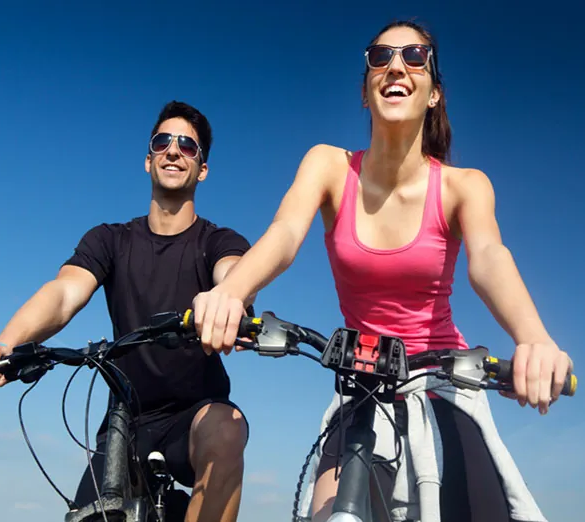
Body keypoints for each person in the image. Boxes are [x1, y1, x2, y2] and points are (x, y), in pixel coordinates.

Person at [190, 20, 573, 522]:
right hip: (362, 380)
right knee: (328, 512)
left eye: (415, 56)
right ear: (366, 94)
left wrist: (534, 339)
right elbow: (285, 234)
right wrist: (232, 293)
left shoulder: (464, 186)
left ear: (434, 93)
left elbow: (489, 258)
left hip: (444, 380)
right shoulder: (328, 166)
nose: (396, 65)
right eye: (380, 56)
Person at [0, 101, 254, 522]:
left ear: (202, 168)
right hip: (125, 419)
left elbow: (235, 277)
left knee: (228, 427)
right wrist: (6, 345)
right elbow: (64, 294)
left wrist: (231, 298)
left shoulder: (218, 241)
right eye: (162, 142)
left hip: (196, 417)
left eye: (187, 145)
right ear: (148, 160)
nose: (174, 151)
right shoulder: (110, 240)